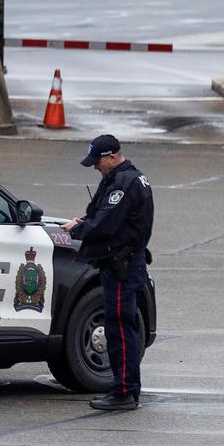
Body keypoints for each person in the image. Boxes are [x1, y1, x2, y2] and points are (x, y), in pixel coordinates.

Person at [63, 133, 153, 411]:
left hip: (121, 267)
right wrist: (84, 219)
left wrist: (76, 230)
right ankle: (125, 389)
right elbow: (103, 214)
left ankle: (124, 392)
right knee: (120, 327)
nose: (95, 167)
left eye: (97, 162)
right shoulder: (124, 179)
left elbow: (106, 223)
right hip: (123, 264)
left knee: (120, 330)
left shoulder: (123, 185)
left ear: (112, 157)